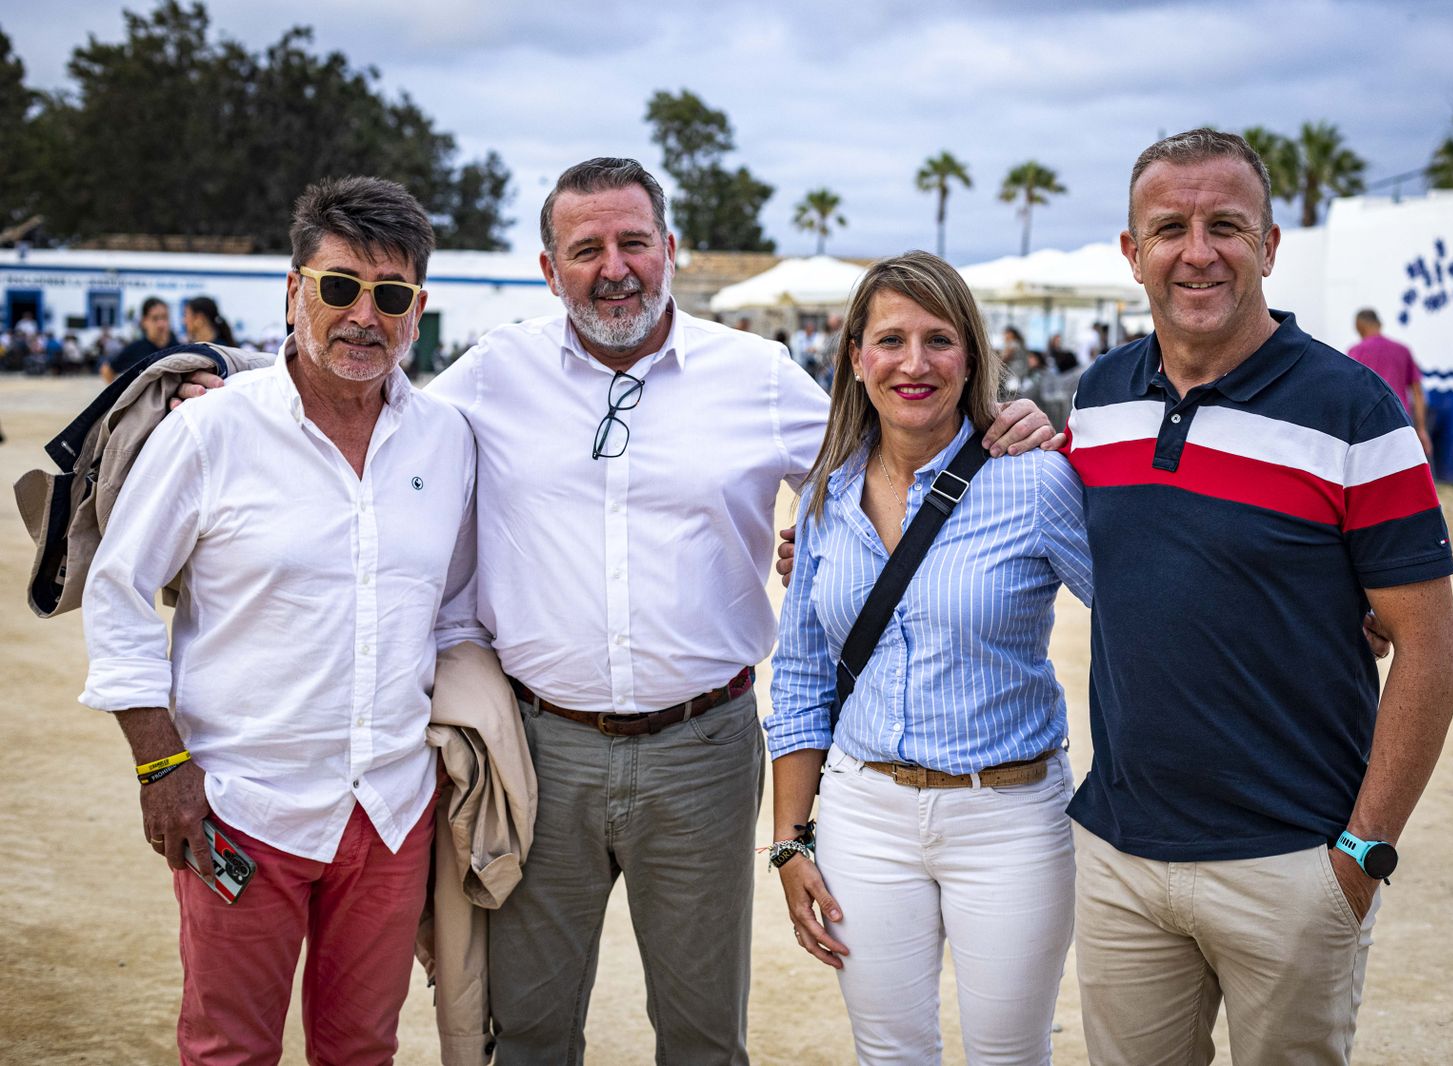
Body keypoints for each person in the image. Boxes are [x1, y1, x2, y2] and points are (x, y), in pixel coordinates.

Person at [173, 157, 1053, 1065]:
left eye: (634, 241)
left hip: (705, 751)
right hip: (540, 750)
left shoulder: (757, 374)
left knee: (705, 1035)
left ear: (669, 250)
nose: (614, 265)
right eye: (585, 248)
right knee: (530, 1030)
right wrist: (231, 377)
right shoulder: (489, 374)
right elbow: (370, 393)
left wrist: (1002, 420)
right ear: (549, 270)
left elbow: (889, 444)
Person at [1064, 129, 1453, 1065]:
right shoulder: (1101, 397)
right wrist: (841, 537)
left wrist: (1361, 857)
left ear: (1271, 245)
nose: (1196, 250)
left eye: (1226, 226)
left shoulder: (1356, 410)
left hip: (1292, 863)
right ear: (1132, 253)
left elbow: (1432, 648)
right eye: (1168, 227)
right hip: (1122, 854)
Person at [80, 175, 480, 1064]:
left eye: (391, 295)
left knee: (361, 1049)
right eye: (339, 287)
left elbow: (454, 609)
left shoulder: (446, 440)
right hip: (239, 809)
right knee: (229, 1050)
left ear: (418, 307)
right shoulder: (209, 434)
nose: (363, 317)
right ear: (293, 291)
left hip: (390, 812)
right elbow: (118, 593)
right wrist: (161, 765)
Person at [764, 251, 1094, 1064]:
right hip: (863, 813)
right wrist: (790, 841)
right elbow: (803, 679)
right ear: (855, 357)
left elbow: (1144, 612)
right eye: (891, 340)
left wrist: (1329, 615)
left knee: (1009, 1055)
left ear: (972, 357)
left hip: (1009, 815)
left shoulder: (1037, 483)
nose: (914, 364)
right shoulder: (823, 499)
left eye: (939, 340)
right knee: (889, 1053)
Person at [1348, 307, 1431, 458]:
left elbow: (1349, 393)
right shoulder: (1403, 350)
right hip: (1400, 420)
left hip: (1368, 423)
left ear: (1359, 326)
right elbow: (1418, 393)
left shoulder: (1356, 351)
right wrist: (1422, 429)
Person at [102, 296, 173, 381]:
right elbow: (106, 370)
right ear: (144, 321)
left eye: (165, 317)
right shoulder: (135, 349)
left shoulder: (178, 347)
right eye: (155, 318)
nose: (161, 324)